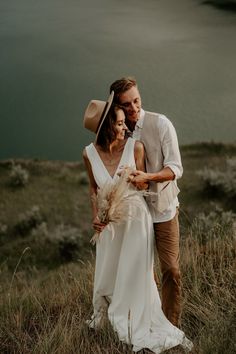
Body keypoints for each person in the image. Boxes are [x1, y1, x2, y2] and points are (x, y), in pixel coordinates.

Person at [83, 92, 193, 353]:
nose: (126, 127)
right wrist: (96, 217)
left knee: (138, 274)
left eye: (124, 122)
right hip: (111, 225)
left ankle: (144, 318)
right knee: (107, 274)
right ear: (106, 127)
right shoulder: (88, 154)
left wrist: (135, 177)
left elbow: (145, 184)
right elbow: (92, 189)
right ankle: (106, 318)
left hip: (136, 221)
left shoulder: (136, 147)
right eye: (119, 123)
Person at [110, 77, 183, 327]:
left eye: (137, 100)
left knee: (171, 270)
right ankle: (148, 323)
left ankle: (171, 325)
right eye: (126, 104)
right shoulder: (116, 131)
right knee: (142, 274)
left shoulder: (161, 123)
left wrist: (149, 176)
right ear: (117, 107)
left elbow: (175, 168)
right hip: (134, 214)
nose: (134, 108)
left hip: (163, 210)